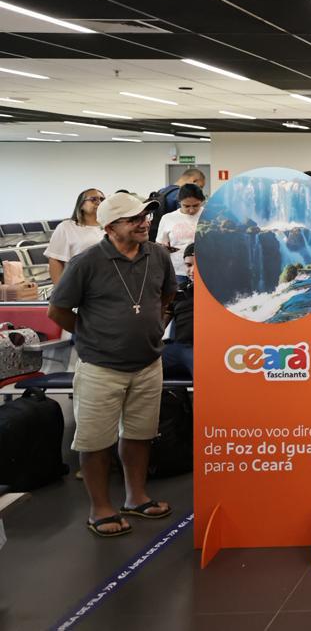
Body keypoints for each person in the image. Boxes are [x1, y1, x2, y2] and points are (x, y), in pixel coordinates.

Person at [47, 192, 176, 538]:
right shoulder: (86, 263)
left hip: (148, 363)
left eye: (145, 216)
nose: (143, 223)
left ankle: (136, 497)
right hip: (101, 367)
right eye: (133, 219)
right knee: (96, 441)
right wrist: (92, 334)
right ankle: (100, 509)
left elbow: (166, 295)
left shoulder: (158, 255)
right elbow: (57, 310)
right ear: (110, 227)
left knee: (140, 435)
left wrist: (154, 325)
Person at [47, 188, 105, 284]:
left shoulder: (110, 226)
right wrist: (59, 289)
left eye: (102, 199)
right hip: (81, 281)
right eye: (93, 199)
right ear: (81, 205)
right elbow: (55, 260)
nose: (99, 202)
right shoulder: (66, 227)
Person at [155, 183, 204, 286]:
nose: (191, 210)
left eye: (196, 205)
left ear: (202, 201)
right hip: (178, 271)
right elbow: (159, 245)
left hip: (203, 270)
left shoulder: (208, 215)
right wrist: (164, 247)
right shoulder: (168, 218)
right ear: (179, 202)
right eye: (186, 206)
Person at [160, 243, 196, 381]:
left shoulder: (221, 294)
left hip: (204, 350)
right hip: (177, 347)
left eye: (199, 266)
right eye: (188, 265)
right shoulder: (179, 291)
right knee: (136, 364)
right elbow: (160, 326)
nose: (192, 271)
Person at [148, 168, 206, 242]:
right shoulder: (179, 195)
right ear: (194, 181)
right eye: (200, 187)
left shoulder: (162, 191)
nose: (191, 210)